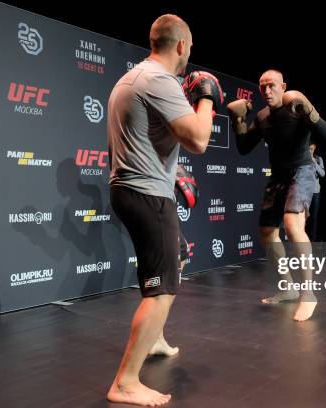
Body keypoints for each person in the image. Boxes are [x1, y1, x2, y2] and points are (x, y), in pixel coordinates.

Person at [106, 14, 222, 406]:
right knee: (161, 291)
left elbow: (148, 138)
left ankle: (153, 338)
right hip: (148, 195)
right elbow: (200, 139)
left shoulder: (133, 77)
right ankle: (125, 381)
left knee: (180, 256)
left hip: (134, 190)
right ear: (183, 47)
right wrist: (206, 96)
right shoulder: (159, 80)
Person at [227, 69, 326, 321]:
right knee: (266, 232)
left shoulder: (295, 108)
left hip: (303, 170)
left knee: (292, 223)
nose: (266, 91)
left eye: (272, 85)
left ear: (283, 86)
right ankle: (289, 287)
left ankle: (309, 294)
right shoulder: (263, 117)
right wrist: (238, 120)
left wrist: (308, 108)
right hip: (278, 176)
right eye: (262, 87)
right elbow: (244, 148)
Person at [306, 143, 325, 241]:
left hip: (315, 192)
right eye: (308, 149)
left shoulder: (318, 159)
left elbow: (322, 174)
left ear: (314, 148)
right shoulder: (303, 159)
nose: (310, 151)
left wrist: (314, 162)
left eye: (311, 149)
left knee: (313, 218)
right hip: (304, 193)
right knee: (303, 218)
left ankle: (312, 241)